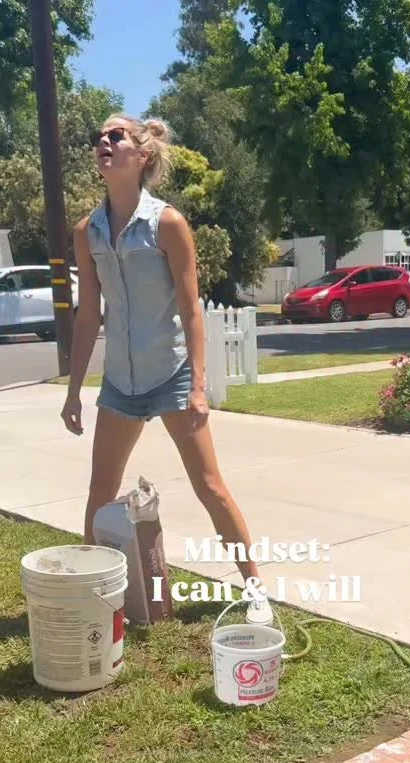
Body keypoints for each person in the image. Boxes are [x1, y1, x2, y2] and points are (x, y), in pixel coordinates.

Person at [61, 114, 272, 624]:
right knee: (99, 493)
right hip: (120, 383)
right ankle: (95, 597)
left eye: (116, 136)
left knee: (210, 486)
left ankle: (256, 591)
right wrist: (73, 392)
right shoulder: (88, 231)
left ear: (142, 155)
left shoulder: (168, 223)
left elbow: (191, 308)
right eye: (99, 137)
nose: (103, 142)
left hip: (171, 376)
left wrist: (198, 385)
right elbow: (89, 316)